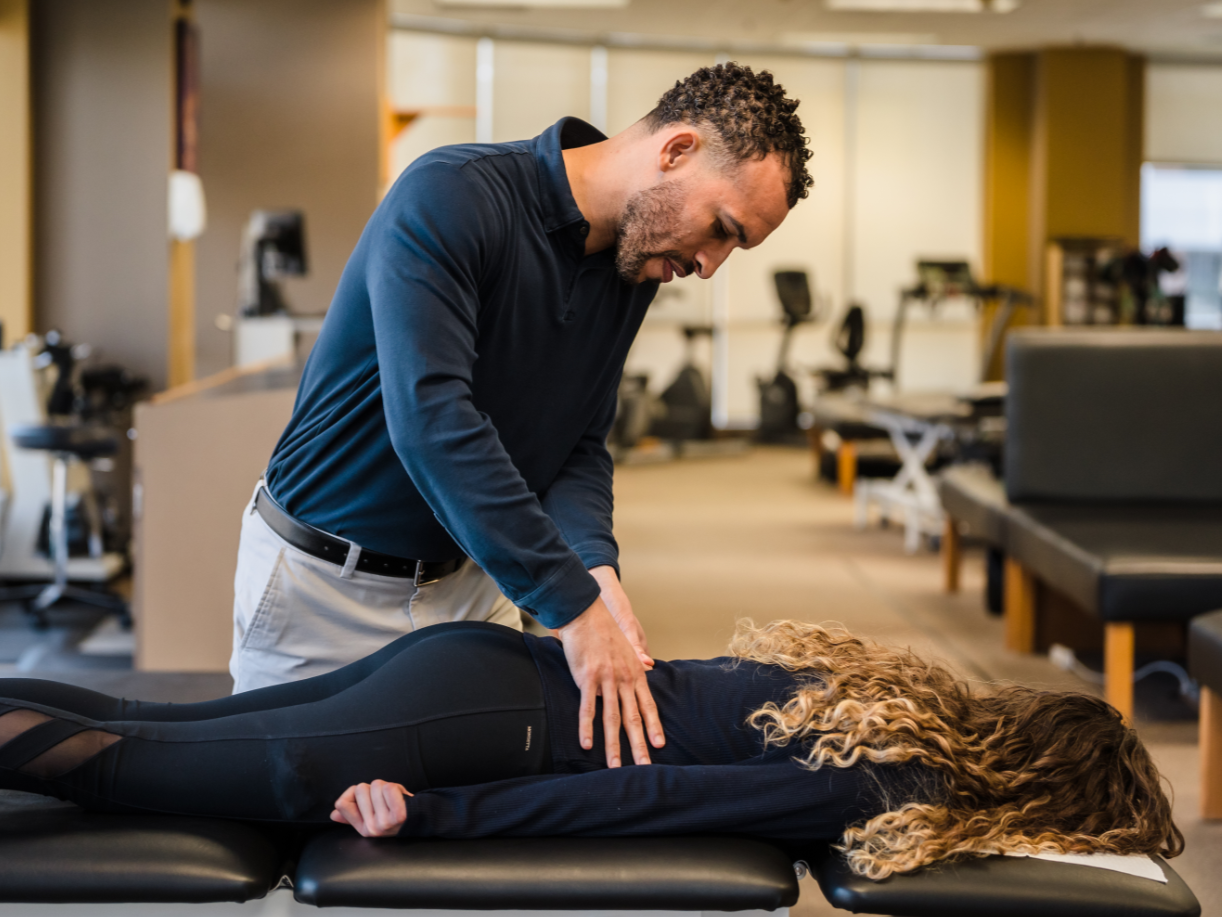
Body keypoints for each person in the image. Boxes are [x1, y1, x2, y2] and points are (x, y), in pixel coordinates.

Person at [230, 62, 813, 772]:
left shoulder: (634, 266)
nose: (712, 264)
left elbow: (578, 443)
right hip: (326, 587)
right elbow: (433, 421)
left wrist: (596, 567)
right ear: (676, 151)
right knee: (297, 842)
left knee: (474, 829)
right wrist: (570, 602)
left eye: (735, 246)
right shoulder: (451, 197)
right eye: (721, 228)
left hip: (472, 588)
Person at [0, 620, 1182, 879]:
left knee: (151, 724)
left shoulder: (901, 698)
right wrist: (434, 815)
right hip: (467, 733)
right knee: (112, 762)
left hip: (473, 671)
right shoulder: (894, 779)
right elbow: (649, 799)